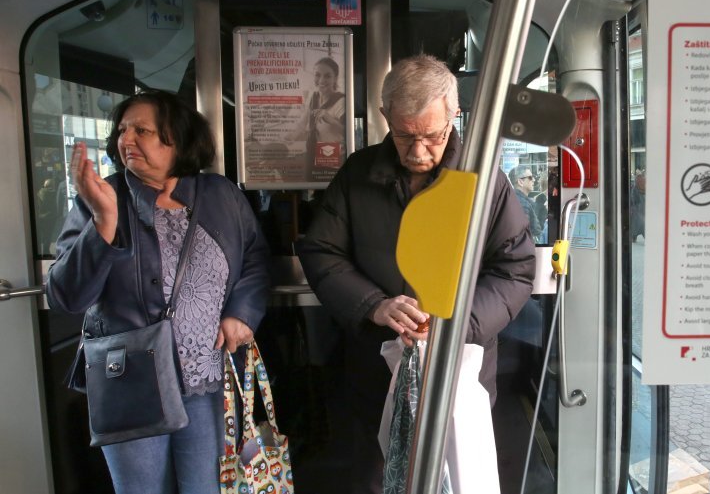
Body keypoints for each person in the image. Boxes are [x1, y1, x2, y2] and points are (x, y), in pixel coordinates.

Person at [296, 54, 535, 493]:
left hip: (459, 369)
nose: (419, 151)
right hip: (377, 369)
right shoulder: (357, 175)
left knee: (458, 479)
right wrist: (373, 305)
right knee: (377, 477)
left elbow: (515, 269)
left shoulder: (484, 181)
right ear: (385, 116)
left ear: (454, 114)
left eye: (433, 136)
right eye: (405, 136)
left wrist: (457, 324)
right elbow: (321, 251)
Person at [46, 90, 270, 494]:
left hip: (206, 379)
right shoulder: (101, 199)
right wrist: (103, 222)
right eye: (122, 130)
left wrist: (242, 313)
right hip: (131, 382)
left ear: (178, 139)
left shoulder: (221, 195)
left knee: (206, 488)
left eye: (142, 131)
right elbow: (66, 297)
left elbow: (254, 259)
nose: (126, 139)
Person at [296, 56, 346, 176]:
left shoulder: (342, 101)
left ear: (335, 78)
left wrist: (331, 120)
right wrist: (287, 137)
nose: (321, 80)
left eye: (327, 76)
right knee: (311, 184)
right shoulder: (313, 97)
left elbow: (349, 132)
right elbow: (302, 123)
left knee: (328, 187)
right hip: (311, 154)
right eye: (317, 75)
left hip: (332, 155)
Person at [509, 164, 541, 240]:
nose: (534, 180)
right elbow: (523, 234)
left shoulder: (516, 199)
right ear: (520, 182)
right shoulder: (522, 204)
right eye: (530, 177)